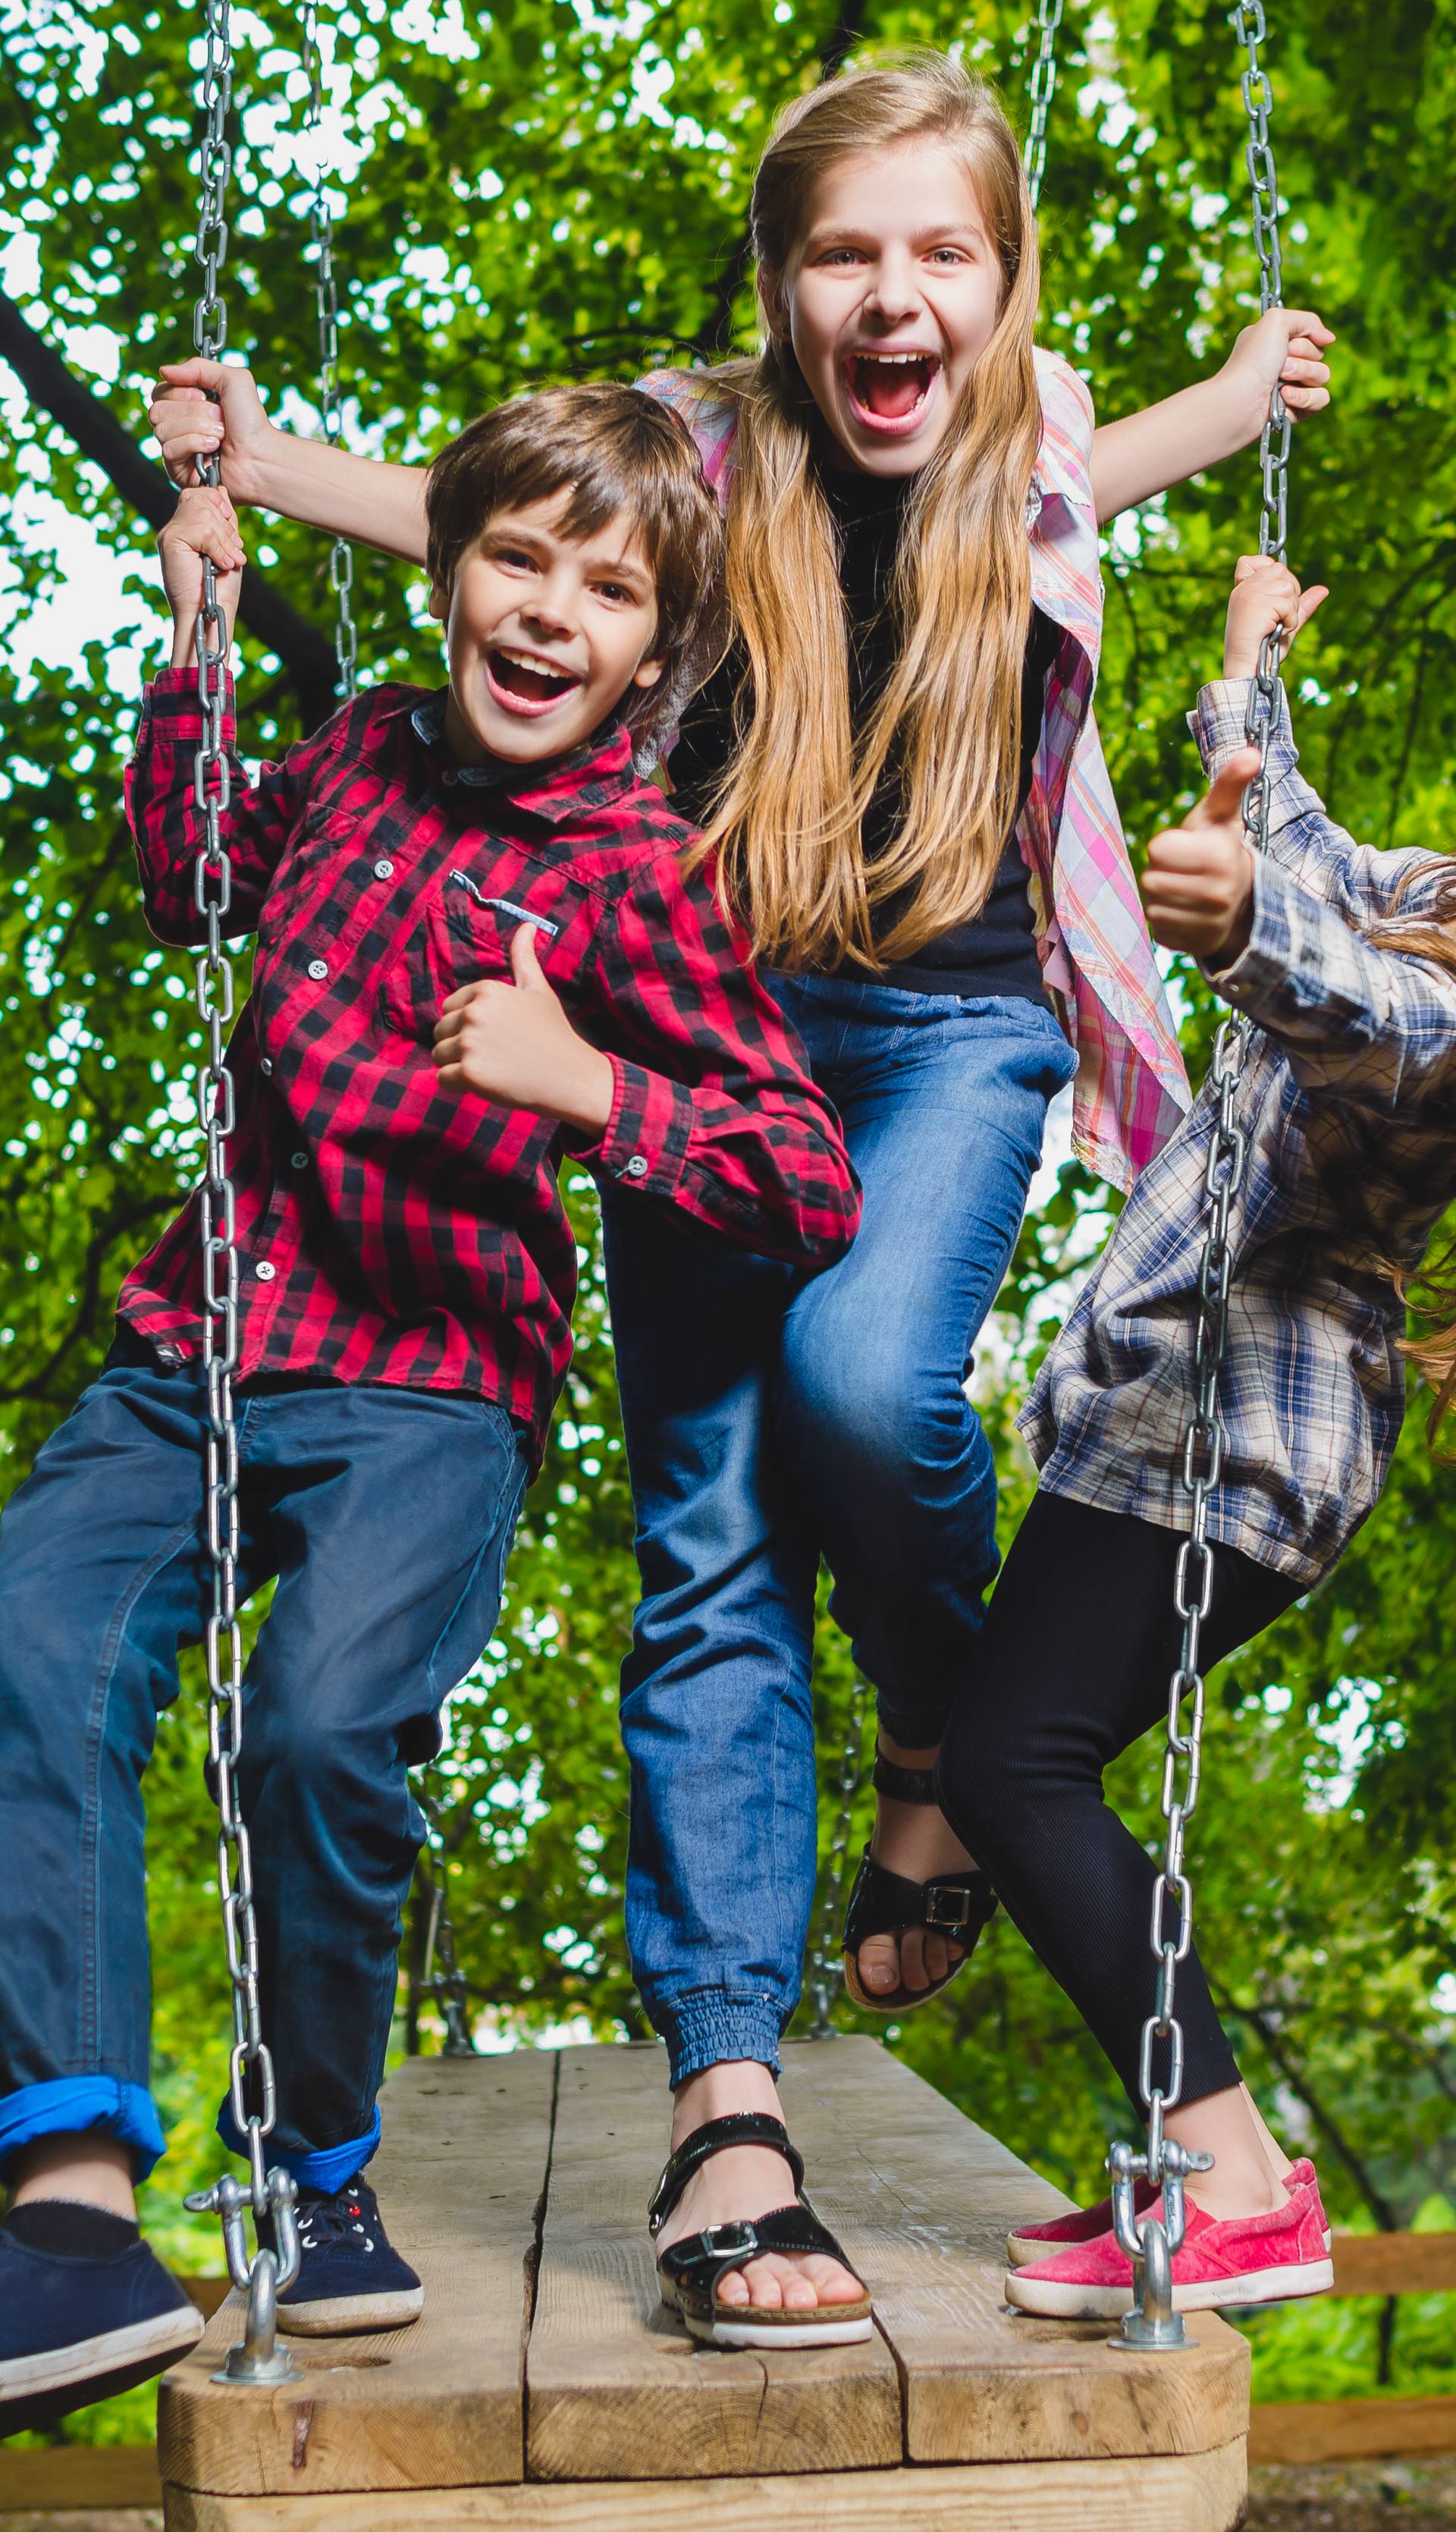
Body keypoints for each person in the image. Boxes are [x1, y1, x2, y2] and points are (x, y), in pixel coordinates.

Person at [148, 50, 1335, 2345]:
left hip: (964, 1026)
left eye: (940, 257)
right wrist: (260, 462)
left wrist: (1231, 384)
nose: (892, 298)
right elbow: (489, 515)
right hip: (705, 1027)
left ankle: (935, 1742)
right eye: (841, 255)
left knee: (871, 1381)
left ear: (1001, 288)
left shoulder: (1038, 438)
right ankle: (728, 2099)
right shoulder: (703, 453)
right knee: (702, 1534)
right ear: (782, 287)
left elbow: (1121, 451)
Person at [0, 382, 861, 2419]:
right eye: (517, 556)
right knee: (29, 1640)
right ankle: (66, 2197)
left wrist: (589, 1085)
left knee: (318, 1731)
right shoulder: (361, 749)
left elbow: (800, 1170)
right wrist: (195, 650)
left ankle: (315, 2165)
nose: (553, 607)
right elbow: (197, 878)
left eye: (610, 585)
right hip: (194, 1350)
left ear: (656, 651)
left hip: (433, 1384)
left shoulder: (643, 872)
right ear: (451, 566)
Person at [937, 551, 1456, 2317]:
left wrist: (1238, 925)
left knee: (1017, 1761)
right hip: (1172, 1410)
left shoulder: (1440, 995)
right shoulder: (1432, 894)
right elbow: (1303, 846)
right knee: (1014, 1739)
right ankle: (1200, 2162)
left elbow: (1365, 1009)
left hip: (1254, 1423)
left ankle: (1233, 2178)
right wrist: (1252, 670)